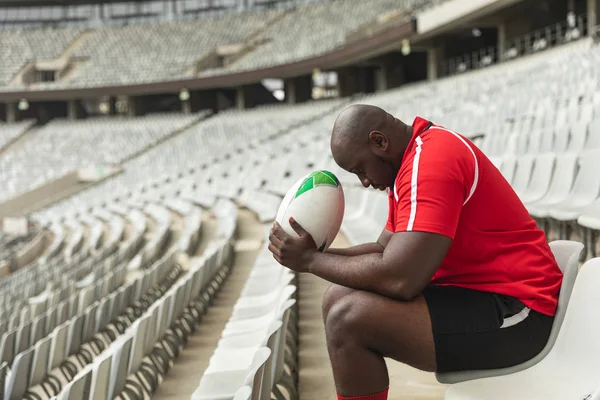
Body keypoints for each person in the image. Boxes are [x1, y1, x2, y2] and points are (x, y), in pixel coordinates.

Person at [268, 104, 562, 400]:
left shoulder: (432, 162)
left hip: (522, 312)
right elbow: (384, 249)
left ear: (379, 142)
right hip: (480, 294)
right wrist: (310, 255)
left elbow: (400, 279)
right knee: (337, 296)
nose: (365, 182)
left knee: (349, 319)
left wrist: (311, 261)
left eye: (360, 169)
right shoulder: (412, 160)